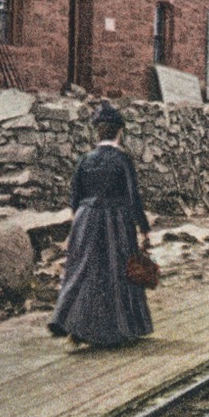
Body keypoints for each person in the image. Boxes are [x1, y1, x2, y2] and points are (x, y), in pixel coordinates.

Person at [48, 103, 153, 348]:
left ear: (97, 132)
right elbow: (133, 197)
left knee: (85, 270)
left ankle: (74, 326)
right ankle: (117, 330)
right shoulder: (122, 160)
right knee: (117, 272)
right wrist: (145, 229)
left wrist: (80, 221)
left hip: (86, 218)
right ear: (119, 132)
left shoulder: (85, 160)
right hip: (116, 220)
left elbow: (74, 197)